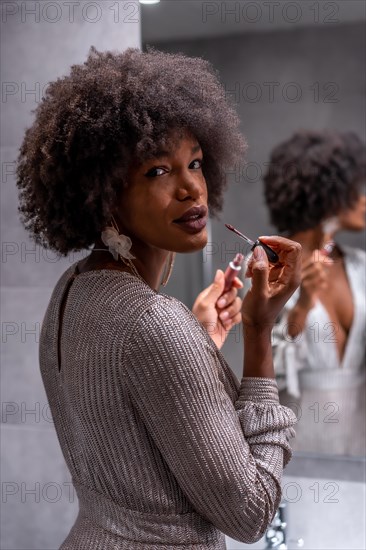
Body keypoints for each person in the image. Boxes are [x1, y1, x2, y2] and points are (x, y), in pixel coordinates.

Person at [17, 47, 300, 549]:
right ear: (103, 193)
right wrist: (258, 333)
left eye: (194, 162)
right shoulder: (153, 325)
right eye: (157, 171)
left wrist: (199, 341)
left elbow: (134, 442)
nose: (193, 188)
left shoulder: (72, 291)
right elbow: (252, 513)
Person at [263, 130, 366, 456]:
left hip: (357, 447)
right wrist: (303, 306)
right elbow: (266, 370)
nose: (364, 199)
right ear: (327, 194)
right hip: (297, 446)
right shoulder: (271, 268)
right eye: (355, 190)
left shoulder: (361, 268)